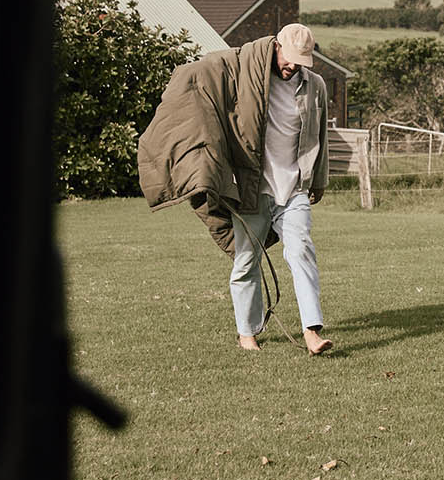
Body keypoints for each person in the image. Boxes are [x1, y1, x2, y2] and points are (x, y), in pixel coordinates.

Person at [138, 22, 333, 354]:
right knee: (245, 262)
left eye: (301, 62)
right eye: (289, 60)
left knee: (301, 251)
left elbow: (321, 137)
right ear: (276, 47)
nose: (293, 67)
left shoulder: (315, 86)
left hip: (293, 188)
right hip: (254, 189)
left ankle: (312, 331)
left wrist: (318, 180)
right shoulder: (246, 75)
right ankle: (247, 332)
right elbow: (200, 74)